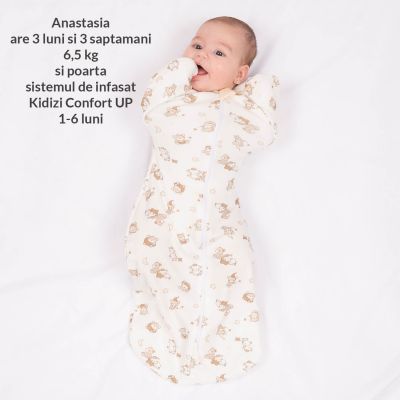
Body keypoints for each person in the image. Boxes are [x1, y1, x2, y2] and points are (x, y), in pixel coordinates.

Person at [124, 16, 280, 385]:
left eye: (218, 53)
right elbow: (150, 102)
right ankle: (170, 344)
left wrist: (254, 89)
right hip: (163, 219)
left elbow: (266, 130)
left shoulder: (242, 112)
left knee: (231, 272)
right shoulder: (173, 103)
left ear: (240, 74)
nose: (202, 55)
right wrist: (181, 67)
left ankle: (222, 347)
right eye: (196, 45)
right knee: (166, 277)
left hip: (220, 223)